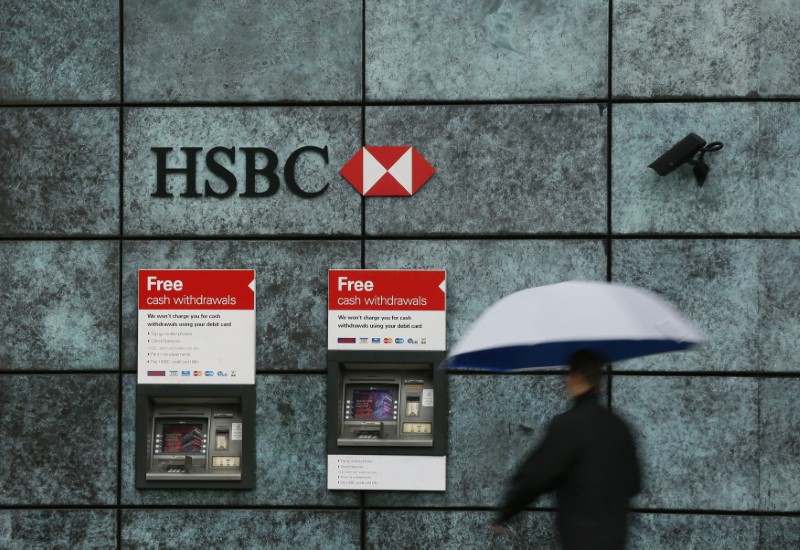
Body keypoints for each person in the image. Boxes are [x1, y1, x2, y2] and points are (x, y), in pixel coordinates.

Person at [491, 349, 641, 549]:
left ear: (577, 377)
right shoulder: (619, 427)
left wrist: (505, 514)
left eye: (567, 375)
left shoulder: (569, 425)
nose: (565, 381)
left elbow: (533, 478)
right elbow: (635, 484)